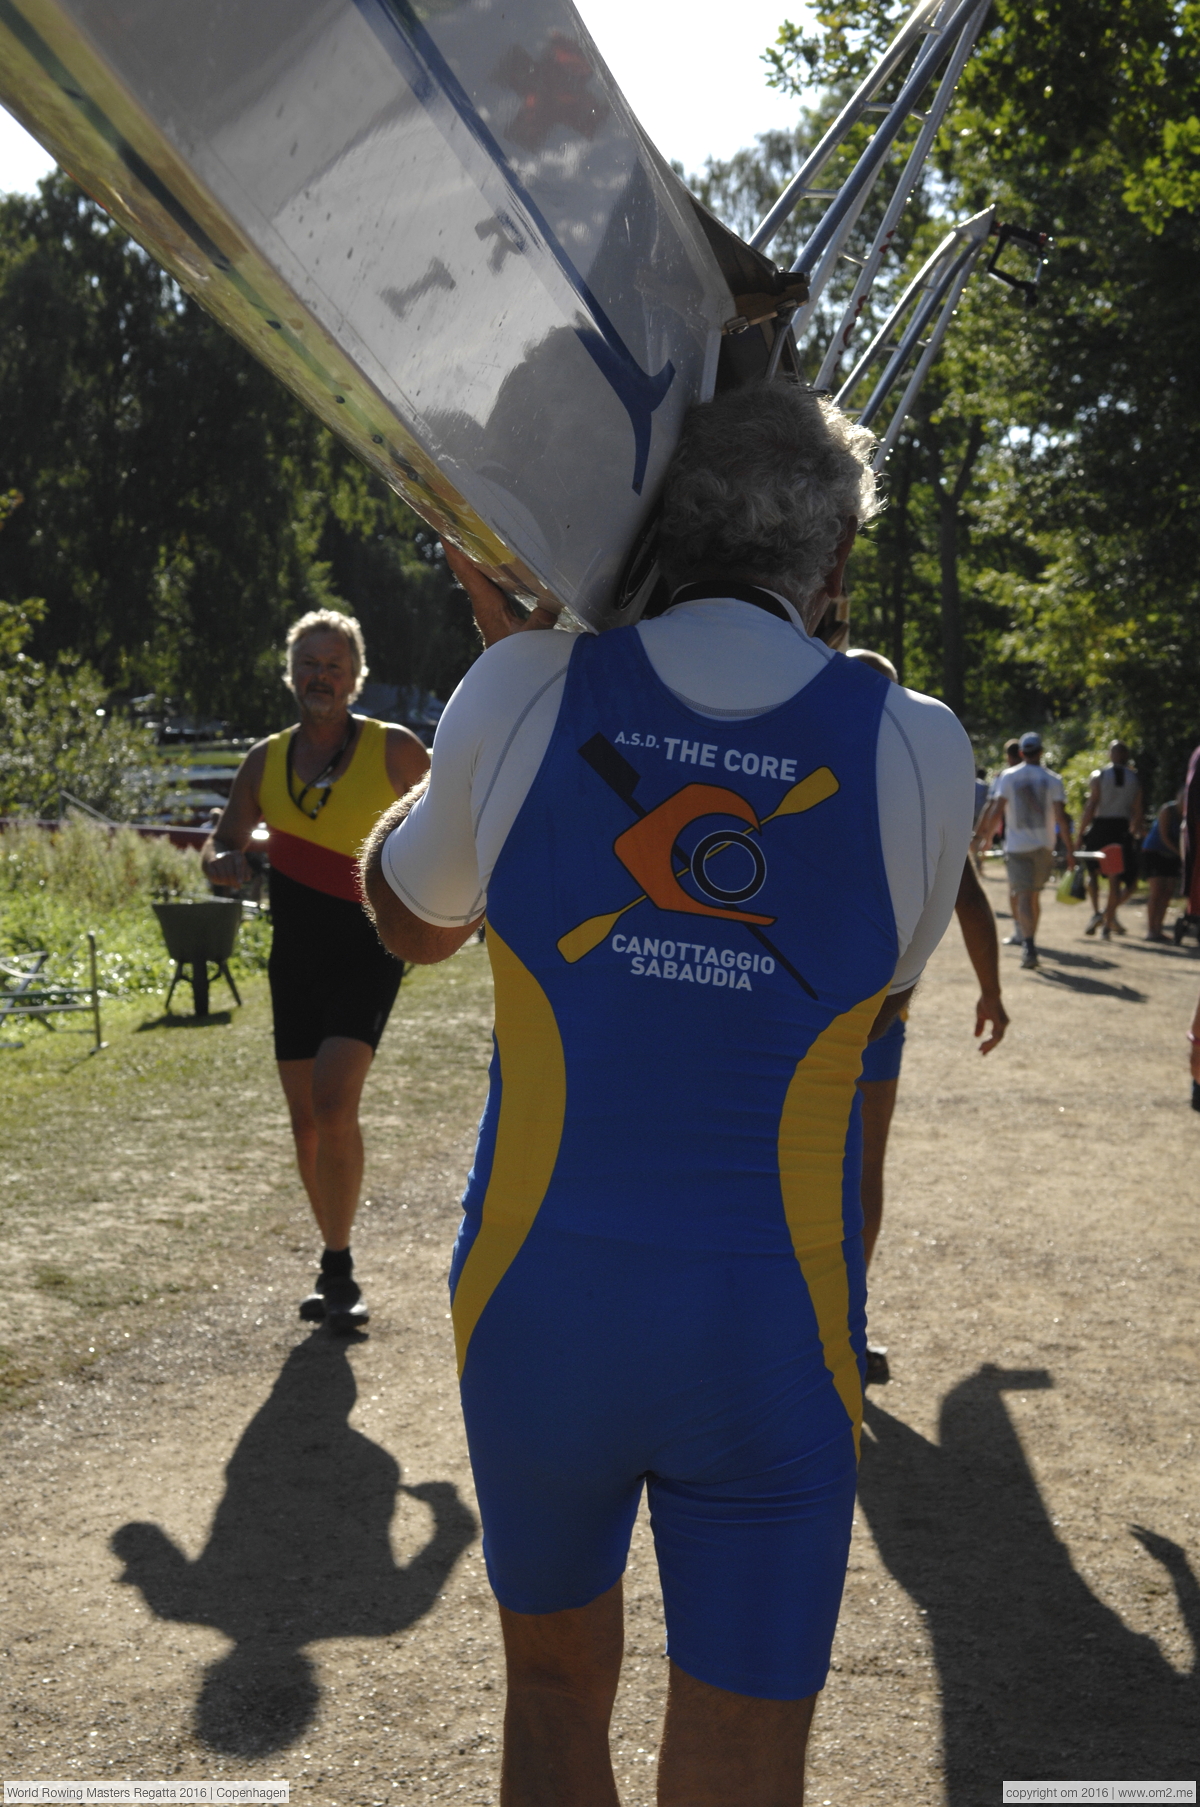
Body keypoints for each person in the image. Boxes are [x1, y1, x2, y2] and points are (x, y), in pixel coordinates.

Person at [361, 381, 972, 1805]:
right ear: (832, 572)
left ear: (647, 532)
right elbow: (873, 994)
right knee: (748, 1751)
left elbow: (408, 915)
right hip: (770, 1330)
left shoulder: (525, 686)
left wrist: (498, 696)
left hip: (537, 1296)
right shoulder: (921, 746)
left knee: (553, 1689)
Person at [203, 610, 429, 1331]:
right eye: (308, 663)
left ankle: (339, 1271)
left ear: (356, 676)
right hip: (293, 957)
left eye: (334, 665)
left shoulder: (395, 750)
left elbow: (455, 821)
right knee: (305, 1122)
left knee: (333, 1102)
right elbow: (220, 845)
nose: (320, 676)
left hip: (368, 950)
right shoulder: (264, 760)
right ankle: (336, 1259)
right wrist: (226, 864)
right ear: (290, 673)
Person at [846, 651, 1008, 1387]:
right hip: (880, 1008)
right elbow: (969, 898)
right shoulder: (913, 780)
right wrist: (990, 992)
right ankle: (843, 1319)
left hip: (801, 1003)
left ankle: (807, 1318)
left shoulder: (801, 759)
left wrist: (992, 991)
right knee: (862, 1166)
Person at [974, 732, 1074, 971]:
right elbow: (1061, 816)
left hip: (1017, 846)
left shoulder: (1008, 777)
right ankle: (1030, 942)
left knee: (1024, 896)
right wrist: (1069, 849)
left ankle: (1028, 944)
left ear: (1021, 753)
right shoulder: (1053, 779)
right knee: (1033, 896)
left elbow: (997, 809)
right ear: (1040, 752)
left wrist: (987, 839)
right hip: (1044, 845)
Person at [1076, 741, 1145, 939]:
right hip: (1121, 830)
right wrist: (1132, 832)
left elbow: (1091, 805)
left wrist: (1080, 833)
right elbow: (1137, 811)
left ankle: (1097, 912)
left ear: (1111, 754)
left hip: (1100, 828)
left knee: (1093, 873)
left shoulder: (1099, 776)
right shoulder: (1135, 779)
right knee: (1115, 878)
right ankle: (1108, 920)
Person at [1142, 789, 1183, 942]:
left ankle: (1158, 928)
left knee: (1168, 891)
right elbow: (1164, 836)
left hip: (1173, 855)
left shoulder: (1190, 814)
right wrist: (1180, 852)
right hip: (1155, 851)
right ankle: (1151, 929)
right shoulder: (1168, 810)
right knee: (1157, 890)